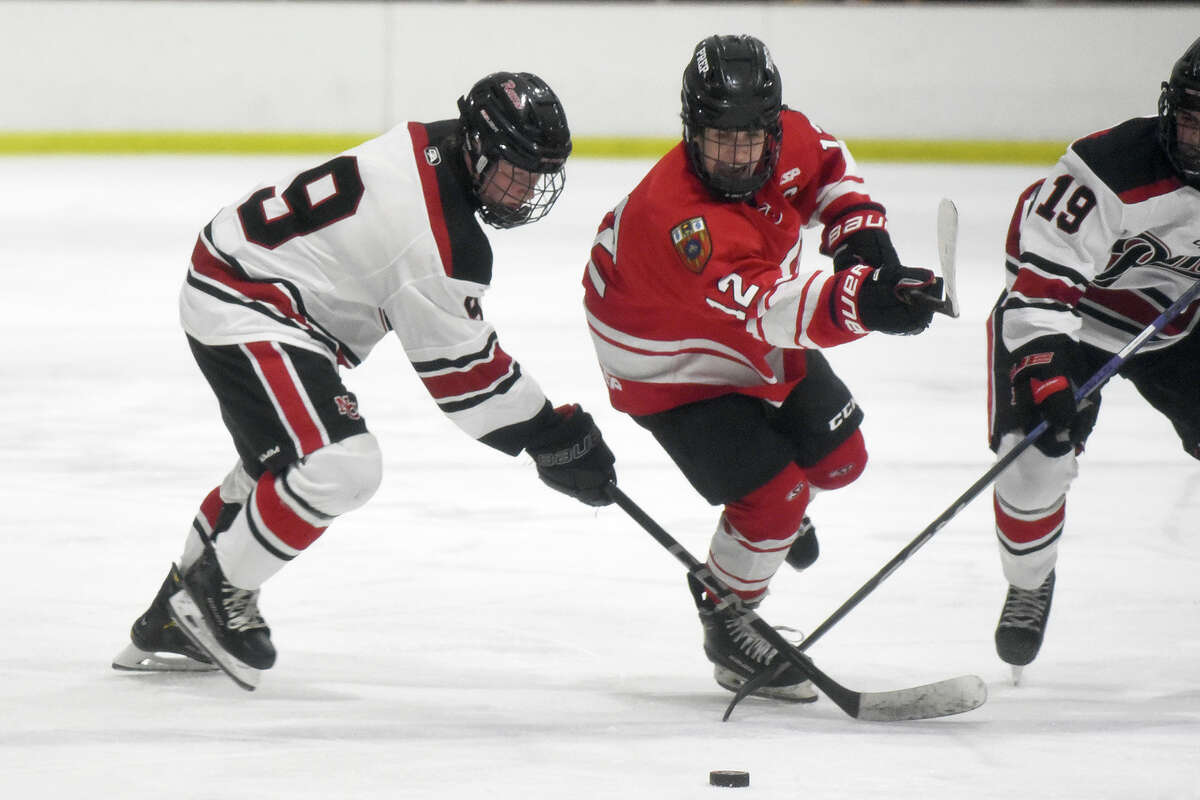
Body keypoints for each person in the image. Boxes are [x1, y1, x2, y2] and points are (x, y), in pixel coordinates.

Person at [112, 72, 617, 688]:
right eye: (515, 171)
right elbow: (467, 380)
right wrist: (551, 432)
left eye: (540, 175)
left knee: (275, 470)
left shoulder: (436, 144)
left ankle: (171, 615)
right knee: (341, 465)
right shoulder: (437, 237)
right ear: (479, 149)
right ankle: (214, 593)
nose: (526, 190)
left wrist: (545, 432)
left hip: (244, 279)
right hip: (247, 302)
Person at [582, 34, 944, 703]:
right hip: (661, 355)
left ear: (774, 128)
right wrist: (864, 297)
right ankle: (726, 619)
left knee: (842, 461)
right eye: (720, 140)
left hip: (737, 323)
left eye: (752, 140)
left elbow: (831, 166)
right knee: (775, 497)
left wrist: (863, 243)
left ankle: (769, 524)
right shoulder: (678, 221)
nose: (738, 157)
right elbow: (772, 310)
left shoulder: (791, 139)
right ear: (691, 130)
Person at [988, 36, 1200, 674]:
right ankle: (1030, 578)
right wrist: (1046, 371)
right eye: (1190, 119)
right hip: (1068, 316)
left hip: (1176, 326)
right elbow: (1041, 282)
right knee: (1032, 464)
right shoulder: (1107, 170)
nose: (1196, 139)